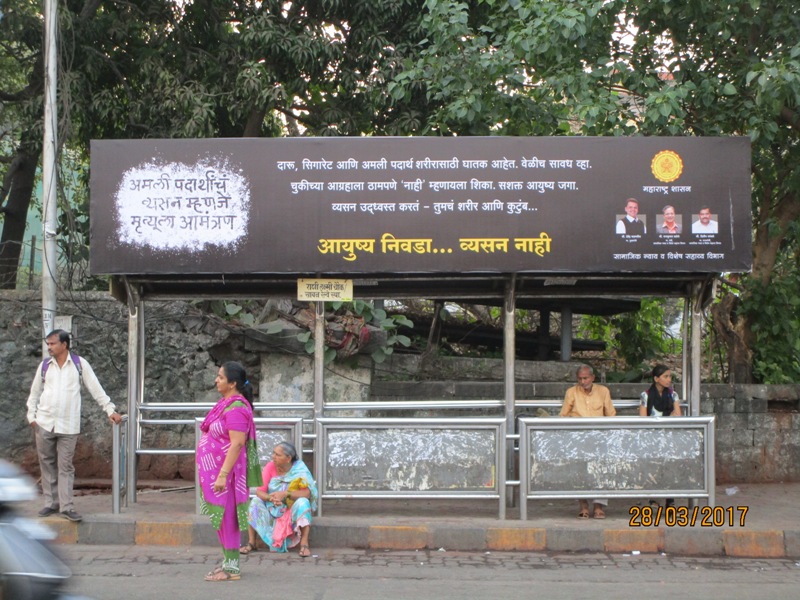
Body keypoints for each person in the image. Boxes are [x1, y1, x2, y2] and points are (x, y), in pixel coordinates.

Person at [26, 329, 122, 522]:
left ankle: (66, 506)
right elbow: (35, 392)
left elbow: (96, 388)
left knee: (65, 466)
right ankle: (50, 503)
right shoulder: (45, 366)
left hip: (68, 425)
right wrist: (32, 416)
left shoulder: (79, 365)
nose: (49, 347)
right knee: (47, 464)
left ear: (65, 344)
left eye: (53, 343)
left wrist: (109, 409)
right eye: (48, 343)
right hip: (44, 422)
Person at [197, 361, 261, 582]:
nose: (216, 380)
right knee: (222, 519)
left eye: (221, 377)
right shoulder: (225, 404)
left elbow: (236, 444)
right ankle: (227, 562)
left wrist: (223, 475)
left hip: (227, 475)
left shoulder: (237, 409)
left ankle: (232, 568)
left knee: (228, 518)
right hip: (215, 472)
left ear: (232, 383)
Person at [240, 441, 318, 558]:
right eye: (273, 453)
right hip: (272, 506)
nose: (273, 457)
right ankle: (252, 542)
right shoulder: (270, 466)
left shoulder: (300, 469)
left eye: (277, 455)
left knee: (304, 502)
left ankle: (304, 544)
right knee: (255, 502)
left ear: (288, 458)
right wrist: (270, 498)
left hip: (291, 508)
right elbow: (260, 491)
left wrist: (286, 494)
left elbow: (306, 493)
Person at [560, 364, 616, 519]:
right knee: (580, 471)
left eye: (585, 378)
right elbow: (563, 415)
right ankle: (583, 505)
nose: (583, 381)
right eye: (580, 378)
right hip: (578, 436)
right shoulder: (571, 392)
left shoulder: (603, 391)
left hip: (599, 436)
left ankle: (598, 506)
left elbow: (611, 415)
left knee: (601, 471)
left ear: (592, 378)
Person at [639, 364, 682, 508]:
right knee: (653, 467)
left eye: (670, 376)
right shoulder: (646, 395)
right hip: (652, 437)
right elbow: (643, 418)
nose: (669, 380)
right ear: (656, 379)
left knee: (669, 466)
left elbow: (678, 416)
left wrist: (666, 418)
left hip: (669, 437)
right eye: (666, 376)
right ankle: (654, 497)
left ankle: (670, 499)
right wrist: (667, 416)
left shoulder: (673, 395)